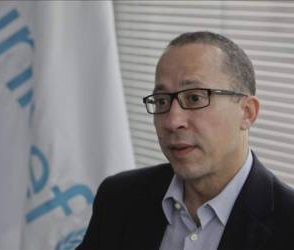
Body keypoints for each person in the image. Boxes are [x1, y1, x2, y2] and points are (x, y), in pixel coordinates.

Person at [76, 31, 294, 250]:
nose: (172, 121)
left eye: (194, 98)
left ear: (247, 112)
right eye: (161, 101)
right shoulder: (119, 198)